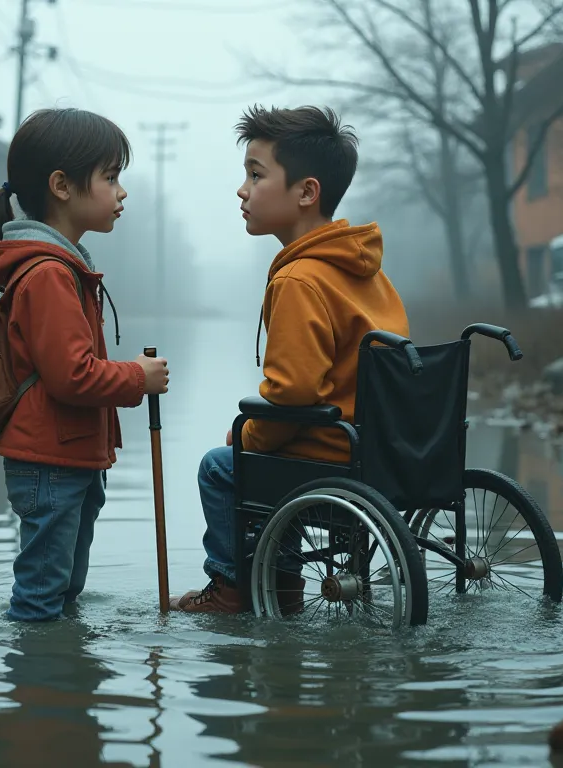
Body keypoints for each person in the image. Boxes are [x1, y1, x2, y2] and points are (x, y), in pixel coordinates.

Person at [170, 104, 410, 614]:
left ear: (306, 192)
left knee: (222, 465)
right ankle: (281, 590)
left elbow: (294, 394)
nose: (242, 190)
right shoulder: (366, 272)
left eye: (256, 175)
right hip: (386, 454)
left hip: (333, 457)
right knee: (257, 451)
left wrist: (245, 437)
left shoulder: (301, 279)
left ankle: (235, 589)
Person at [0, 108, 170, 622]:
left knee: (64, 591)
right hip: (49, 463)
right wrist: (137, 378)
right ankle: (40, 695)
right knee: (40, 599)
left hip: (70, 459)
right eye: (110, 176)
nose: (121, 192)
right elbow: (72, 375)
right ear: (62, 185)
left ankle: (64, 690)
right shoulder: (49, 274)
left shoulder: (65, 266)